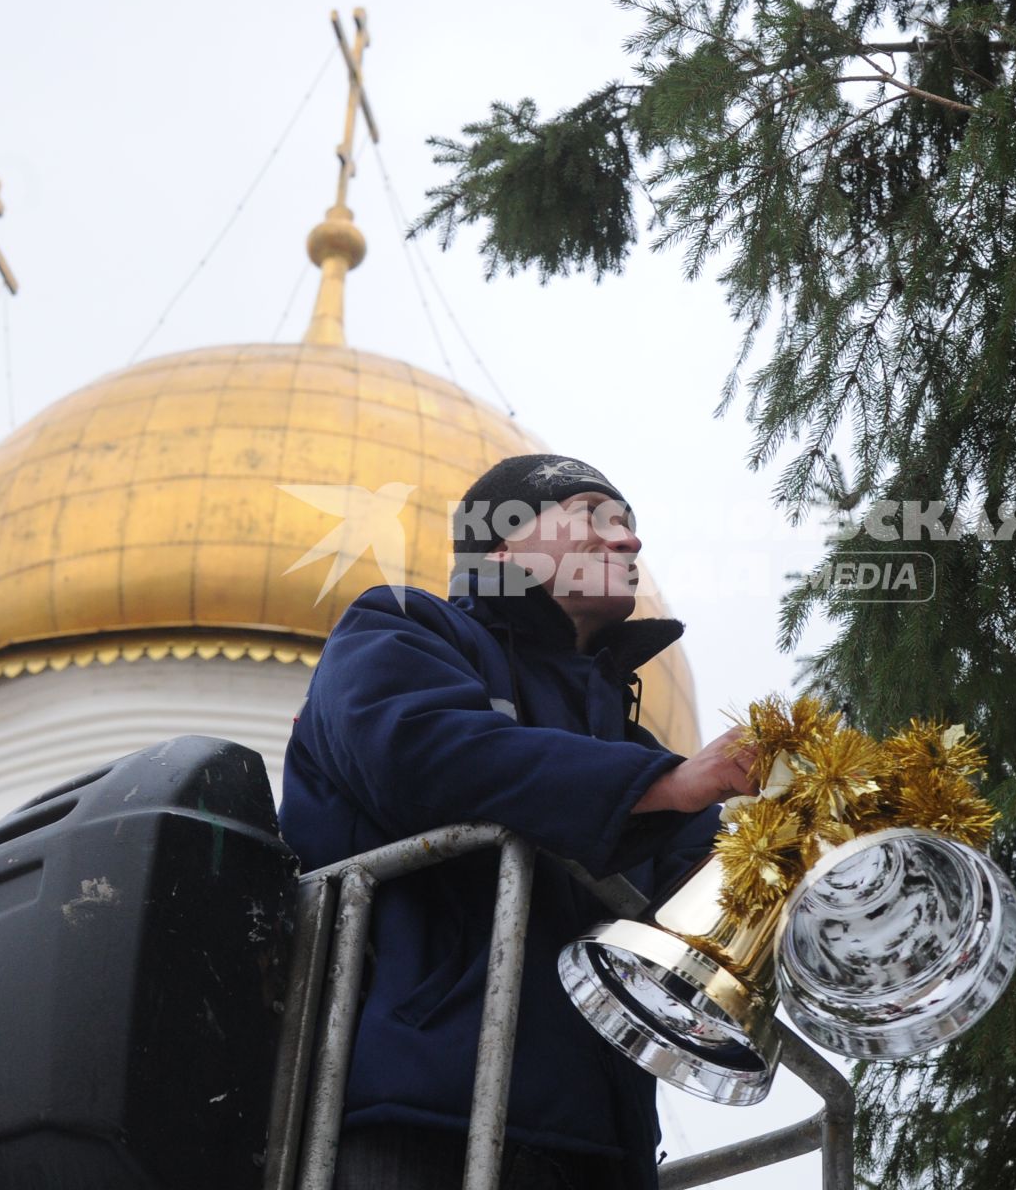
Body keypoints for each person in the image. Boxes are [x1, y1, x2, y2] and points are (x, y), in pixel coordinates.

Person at [279, 454, 757, 1190]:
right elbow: (422, 755)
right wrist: (665, 786)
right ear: (500, 541)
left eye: (631, 528)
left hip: (605, 1148)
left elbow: (712, 910)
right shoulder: (399, 630)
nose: (628, 544)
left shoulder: (631, 753)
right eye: (595, 516)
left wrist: (808, 835)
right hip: (415, 1118)